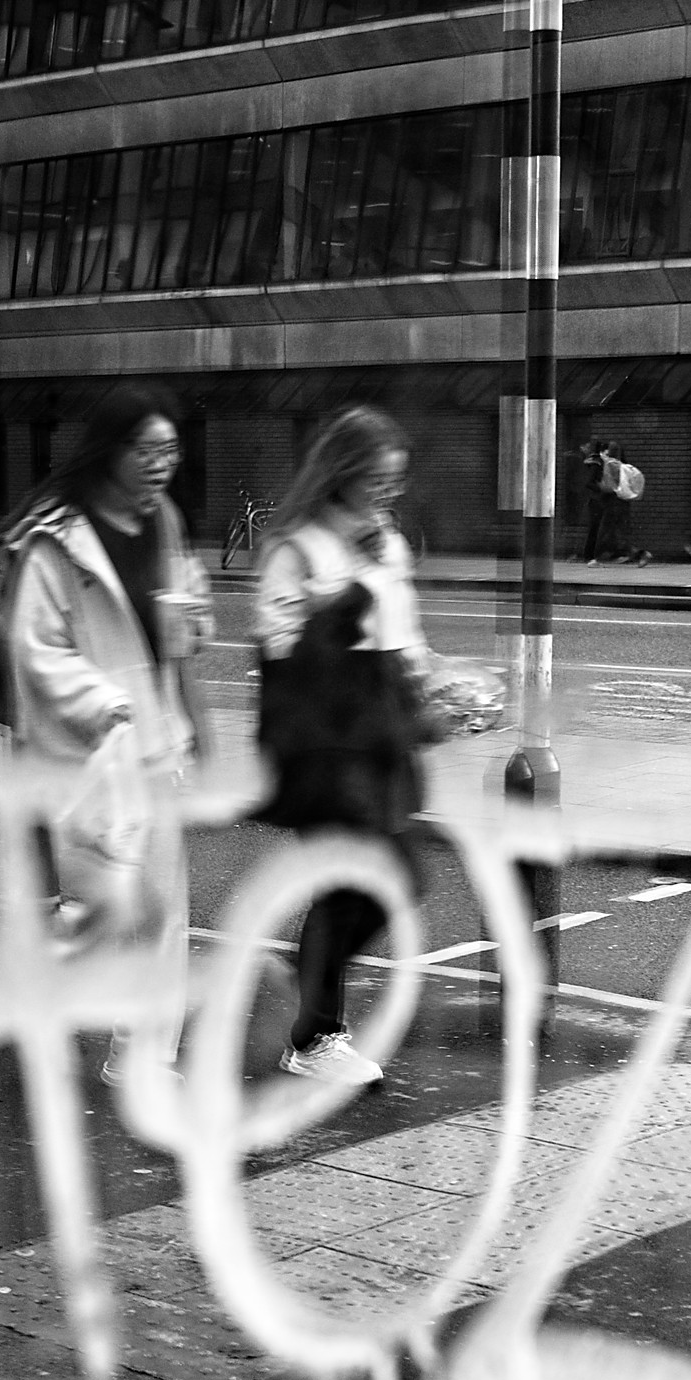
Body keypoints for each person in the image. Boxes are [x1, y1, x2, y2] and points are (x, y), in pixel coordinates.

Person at [0, 384, 212, 1087]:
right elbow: (35, 648)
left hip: (155, 747)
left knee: (163, 911)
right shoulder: (56, 539)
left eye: (169, 451)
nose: (160, 465)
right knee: (99, 910)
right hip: (86, 758)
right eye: (146, 450)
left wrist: (194, 626)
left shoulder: (165, 523)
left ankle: (142, 1054)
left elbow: (178, 631)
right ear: (110, 450)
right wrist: (103, 702)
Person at [252, 405, 431, 1087]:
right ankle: (315, 1036)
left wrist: (431, 688)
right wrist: (357, 589)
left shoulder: (387, 541)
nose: (388, 493)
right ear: (341, 472)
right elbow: (283, 650)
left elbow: (403, 636)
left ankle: (311, 985)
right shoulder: (297, 549)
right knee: (348, 883)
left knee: (400, 880)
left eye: (396, 481)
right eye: (377, 480)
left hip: (381, 739)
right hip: (324, 742)